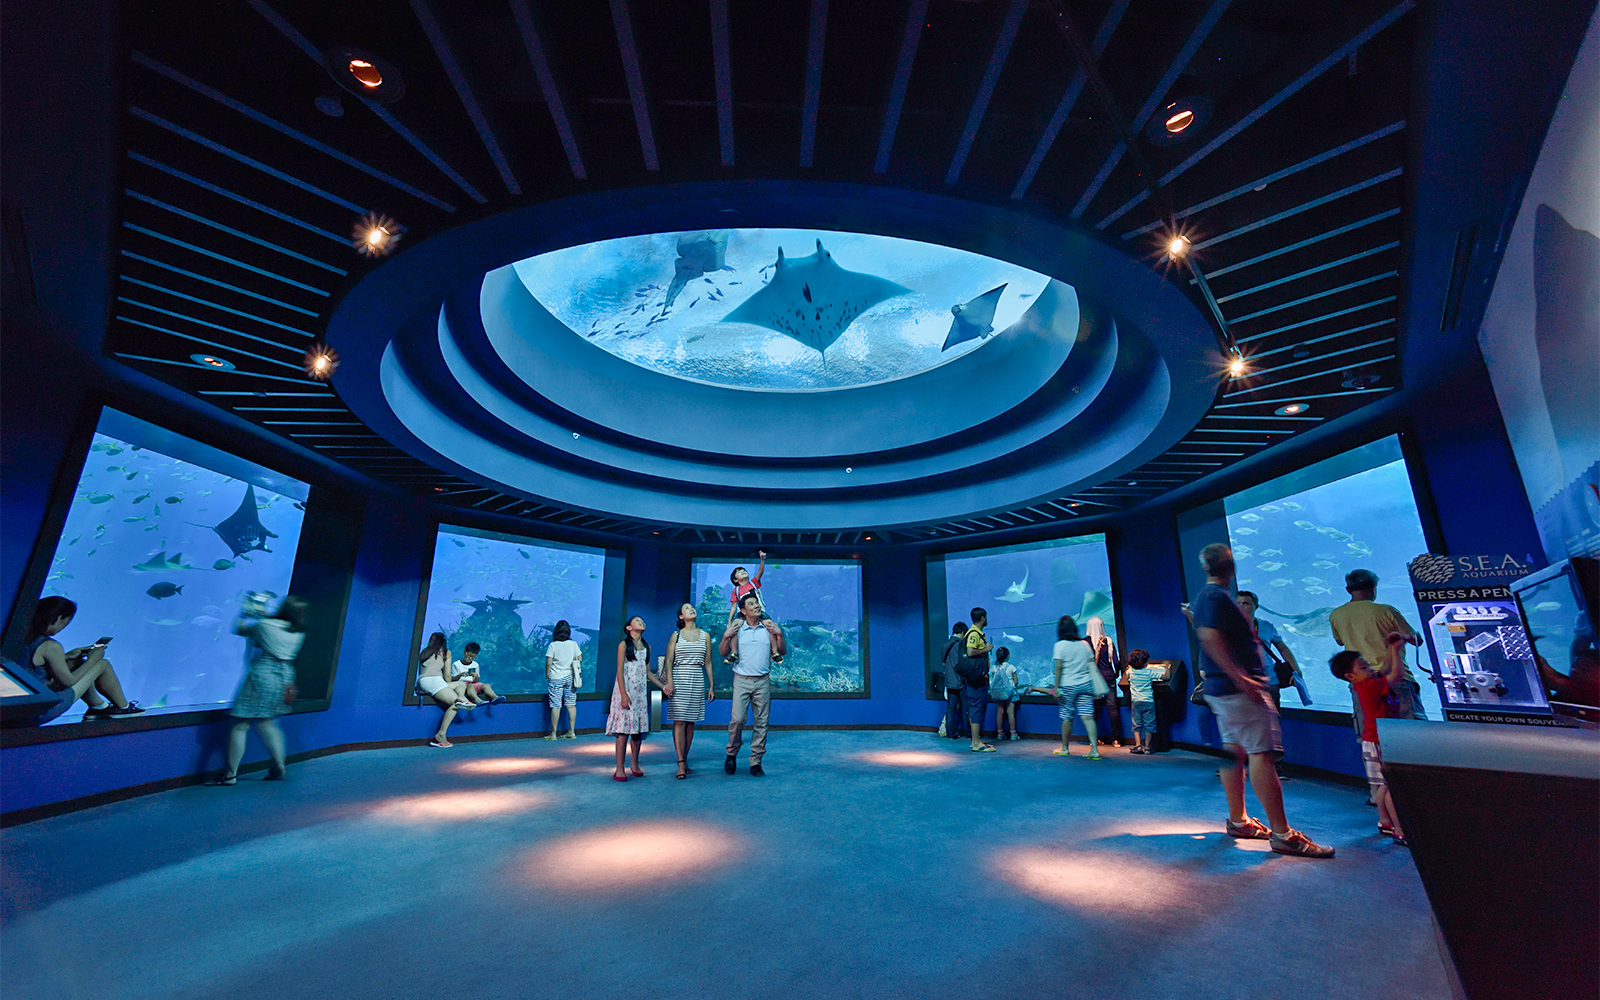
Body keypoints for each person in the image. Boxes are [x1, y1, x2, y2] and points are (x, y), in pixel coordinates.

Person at [1191, 543, 1333, 858]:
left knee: (1233, 751)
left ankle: (1239, 820)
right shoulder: (1215, 597)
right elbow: (1210, 639)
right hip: (1238, 690)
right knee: (1261, 754)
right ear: (1231, 567)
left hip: (1224, 690)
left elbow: (1211, 637)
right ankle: (1283, 834)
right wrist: (1242, 678)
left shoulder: (1210, 597)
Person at [209, 596, 307, 783]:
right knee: (268, 722)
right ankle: (279, 765)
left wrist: (246, 612)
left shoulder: (263, 626)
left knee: (240, 724)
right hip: (285, 676)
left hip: (263, 674)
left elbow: (239, 628)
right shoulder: (298, 631)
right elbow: (275, 623)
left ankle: (230, 775)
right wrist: (263, 614)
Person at [1330, 633, 1411, 846]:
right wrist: (1397, 650)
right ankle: (1400, 829)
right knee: (1392, 786)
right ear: (1351, 676)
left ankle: (1385, 821)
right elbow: (1397, 675)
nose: (1370, 669)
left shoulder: (1367, 683)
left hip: (1373, 740)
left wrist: (1391, 647)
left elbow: (1384, 669)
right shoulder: (1370, 687)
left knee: (1383, 784)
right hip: (1381, 741)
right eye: (1364, 667)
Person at [1329, 569, 1426, 730]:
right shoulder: (1386, 611)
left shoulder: (1336, 614)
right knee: (1411, 731)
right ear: (1373, 587)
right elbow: (1417, 641)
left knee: (1374, 730)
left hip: (1360, 682)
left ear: (1348, 589)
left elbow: (1339, 641)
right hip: (1395, 679)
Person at [22, 596, 142, 719]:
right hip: (40, 710)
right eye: (66, 622)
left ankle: (98, 707)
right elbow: (69, 681)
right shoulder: (50, 646)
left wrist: (67, 656)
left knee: (74, 663)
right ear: (59, 618)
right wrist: (93, 659)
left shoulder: (20, 636)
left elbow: (33, 667)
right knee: (102, 664)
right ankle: (123, 708)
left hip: (19, 706)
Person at [719, 593, 784, 775]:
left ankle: (756, 761)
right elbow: (723, 652)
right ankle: (731, 753)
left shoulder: (767, 627)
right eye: (751, 604)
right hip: (741, 679)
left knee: (761, 722)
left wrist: (779, 634)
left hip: (762, 681)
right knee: (738, 719)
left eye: (757, 603)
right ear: (743, 610)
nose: (756, 606)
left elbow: (783, 650)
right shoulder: (738, 627)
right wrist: (725, 637)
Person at [607, 616, 666, 781]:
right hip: (625, 691)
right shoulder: (623, 645)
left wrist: (663, 686)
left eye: (642, 621)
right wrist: (623, 694)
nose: (642, 622)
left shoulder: (647, 647)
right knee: (623, 731)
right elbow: (619, 670)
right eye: (637, 620)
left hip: (639, 694)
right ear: (628, 627)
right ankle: (619, 768)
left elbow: (648, 673)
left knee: (638, 732)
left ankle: (634, 764)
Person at [664, 603, 715, 779]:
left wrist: (711, 685)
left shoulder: (705, 635)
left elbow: (708, 662)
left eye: (692, 607)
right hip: (679, 678)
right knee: (679, 720)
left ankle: (684, 758)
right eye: (687, 608)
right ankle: (680, 762)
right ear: (681, 616)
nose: (691, 609)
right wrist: (670, 683)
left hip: (697, 678)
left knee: (691, 722)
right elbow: (668, 661)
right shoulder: (676, 635)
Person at [1237, 591, 1311, 706]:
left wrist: (1295, 670)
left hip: (1269, 680)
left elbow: (1283, 649)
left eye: (1246, 603)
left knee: (1272, 714)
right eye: (1238, 603)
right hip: (1242, 681)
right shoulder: (1227, 627)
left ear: (1255, 607)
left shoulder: (1266, 626)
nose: (1241, 606)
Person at [1049, 616, 1101, 760]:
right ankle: (1094, 750)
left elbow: (1059, 667)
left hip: (1068, 685)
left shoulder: (1060, 645)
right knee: (1088, 717)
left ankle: (1065, 748)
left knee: (1067, 717)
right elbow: (1091, 665)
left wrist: (1056, 687)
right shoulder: (1084, 644)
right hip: (1085, 684)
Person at [415, 631, 472, 748]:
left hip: (422, 683)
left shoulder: (424, 652)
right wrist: (446, 687)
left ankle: (462, 696)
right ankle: (441, 735)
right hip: (435, 680)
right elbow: (447, 676)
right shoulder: (446, 652)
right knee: (457, 704)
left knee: (461, 684)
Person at [960, 607, 995, 752]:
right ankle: (975, 743)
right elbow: (970, 651)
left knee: (976, 707)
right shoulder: (974, 634)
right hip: (976, 679)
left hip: (977, 677)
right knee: (976, 707)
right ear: (982, 618)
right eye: (985, 617)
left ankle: (976, 739)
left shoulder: (976, 633)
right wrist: (986, 649)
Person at [1085, 616, 1122, 747]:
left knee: (1094, 709)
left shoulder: (1084, 643)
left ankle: (1093, 739)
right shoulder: (1108, 641)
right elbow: (1116, 662)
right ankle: (1115, 739)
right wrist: (1116, 674)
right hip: (1108, 677)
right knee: (1112, 707)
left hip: (1093, 680)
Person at [1122, 649, 1168, 754]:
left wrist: (1128, 668)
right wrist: (1166, 667)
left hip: (1135, 702)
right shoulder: (1149, 672)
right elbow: (1166, 676)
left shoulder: (1130, 672)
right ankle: (1147, 747)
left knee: (1136, 724)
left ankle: (1138, 746)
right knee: (1149, 724)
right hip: (1148, 702)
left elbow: (1126, 674)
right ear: (1145, 662)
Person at [545, 620, 583, 739]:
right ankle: (571, 732)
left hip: (556, 677)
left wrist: (547, 675)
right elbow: (580, 659)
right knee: (571, 705)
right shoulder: (573, 644)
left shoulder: (553, 645)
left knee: (556, 706)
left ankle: (553, 734)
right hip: (570, 677)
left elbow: (549, 663)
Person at [939, 622, 968, 739]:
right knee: (965, 708)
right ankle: (968, 733)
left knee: (950, 709)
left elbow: (944, 662)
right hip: (960, 680)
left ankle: (950, 733)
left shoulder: (945, 645)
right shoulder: (960, 645)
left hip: (949, 681)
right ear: (962, 633)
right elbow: (963, 664)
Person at [452, 642, 504, 706]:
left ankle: (494, 697)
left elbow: (476, 681)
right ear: (465, 653)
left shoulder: (475, 665)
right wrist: (460, 675)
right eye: (469, 656)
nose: (470, 659)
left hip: (472, 684)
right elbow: (453, 680)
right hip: (462, 686)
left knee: (486, 685)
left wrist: (475, 677)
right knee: (470, 686)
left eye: (473, 657)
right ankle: (477, 700)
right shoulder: (456, 664)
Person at [990, 646, 1020, 740]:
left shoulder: (994, 668)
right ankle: (1013, 734)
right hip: (1010, 693)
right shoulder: (1011, 667)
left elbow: (994, 681)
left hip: (999, 694)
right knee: (1010, 713)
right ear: (1008, 656)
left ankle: (1000, 733)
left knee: (1000, 713)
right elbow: (1016, 682)